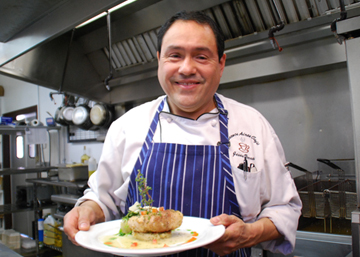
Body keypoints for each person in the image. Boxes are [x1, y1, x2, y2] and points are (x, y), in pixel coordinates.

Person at [64, 10, 302, 257]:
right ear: (159, 60)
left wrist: (249, 234)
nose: (187, 68)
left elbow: (284, 208)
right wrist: (87, 211)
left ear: (221, 64)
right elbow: (103, 200)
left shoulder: (252, 126)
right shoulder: (128, 126)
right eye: (175, 55)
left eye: (201, 56)